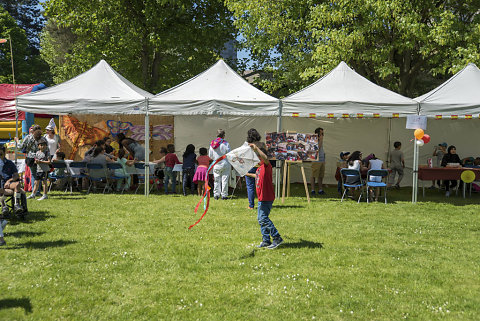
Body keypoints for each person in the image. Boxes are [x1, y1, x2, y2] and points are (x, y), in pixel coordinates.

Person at [246, 144, 283, 249]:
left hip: (267, 197)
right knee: (260, 219)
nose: (256, 159)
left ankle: (277, 237)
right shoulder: (259, 169)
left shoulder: (267, 166)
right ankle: (266, 240)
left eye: (258, 157)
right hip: (261, 197)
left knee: (263, 218)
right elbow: (256, 176)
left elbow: (266, 158)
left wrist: (256, 148)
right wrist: (246, 173)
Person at [16, 124, 43, 193]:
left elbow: (20, 147)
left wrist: (17, 141)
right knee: (39, 175)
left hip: (30, 158)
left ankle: (35, 192)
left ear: (33, 131)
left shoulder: (28, 137)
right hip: (40, 158)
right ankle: (38, 191)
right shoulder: (42, 138)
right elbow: (47, 148)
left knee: (34, 175)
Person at [246, 128, 266, 209]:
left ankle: (251, 205)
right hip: (261, 167)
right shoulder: (262, 144)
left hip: (250, 167)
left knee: (250, 186)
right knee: (261, 186)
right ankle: (263, 203)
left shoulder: (248, 145)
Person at [208, 129, 231, 200]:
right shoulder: (226, 143)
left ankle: (216, 194)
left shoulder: (212, 144)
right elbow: (229, 154)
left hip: (216, 163)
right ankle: (224, 195)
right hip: (225, 163)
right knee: (225, 179)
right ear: (223, 136)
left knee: (216, 179)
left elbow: (210, 156)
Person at [310, 127, 326, 196]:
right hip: (316, 160)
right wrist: (321, 140)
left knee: (320, 176)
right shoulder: (314, 141)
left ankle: (320, 190)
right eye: (321, 133)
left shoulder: (320, 140)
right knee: (314, 175)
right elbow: (317, 149)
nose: (323, 135)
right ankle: (313, 190)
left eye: (323, 133)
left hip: (322, 160)